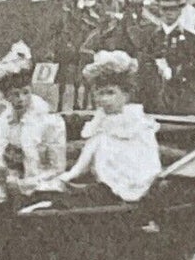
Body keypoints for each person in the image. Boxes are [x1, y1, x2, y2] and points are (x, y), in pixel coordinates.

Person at [53, 50, 163, 204]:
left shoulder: (136, 124)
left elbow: (148, 162)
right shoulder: (101, 121)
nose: (104, 99)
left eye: (110, 93)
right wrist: (69, 175)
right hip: (103, 181)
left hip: (133, 183)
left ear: (125, 95)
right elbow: (88, 152)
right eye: (100, 93)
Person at [0, 41, 67, 192]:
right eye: (15, 95)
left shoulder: (49, 120)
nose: (21, 99)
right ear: (6, 97)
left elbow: (58, 168)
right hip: (10, 186)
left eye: (25, 92)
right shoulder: (3, 122)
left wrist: (28, 183)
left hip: (44, 187)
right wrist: (9, 179)